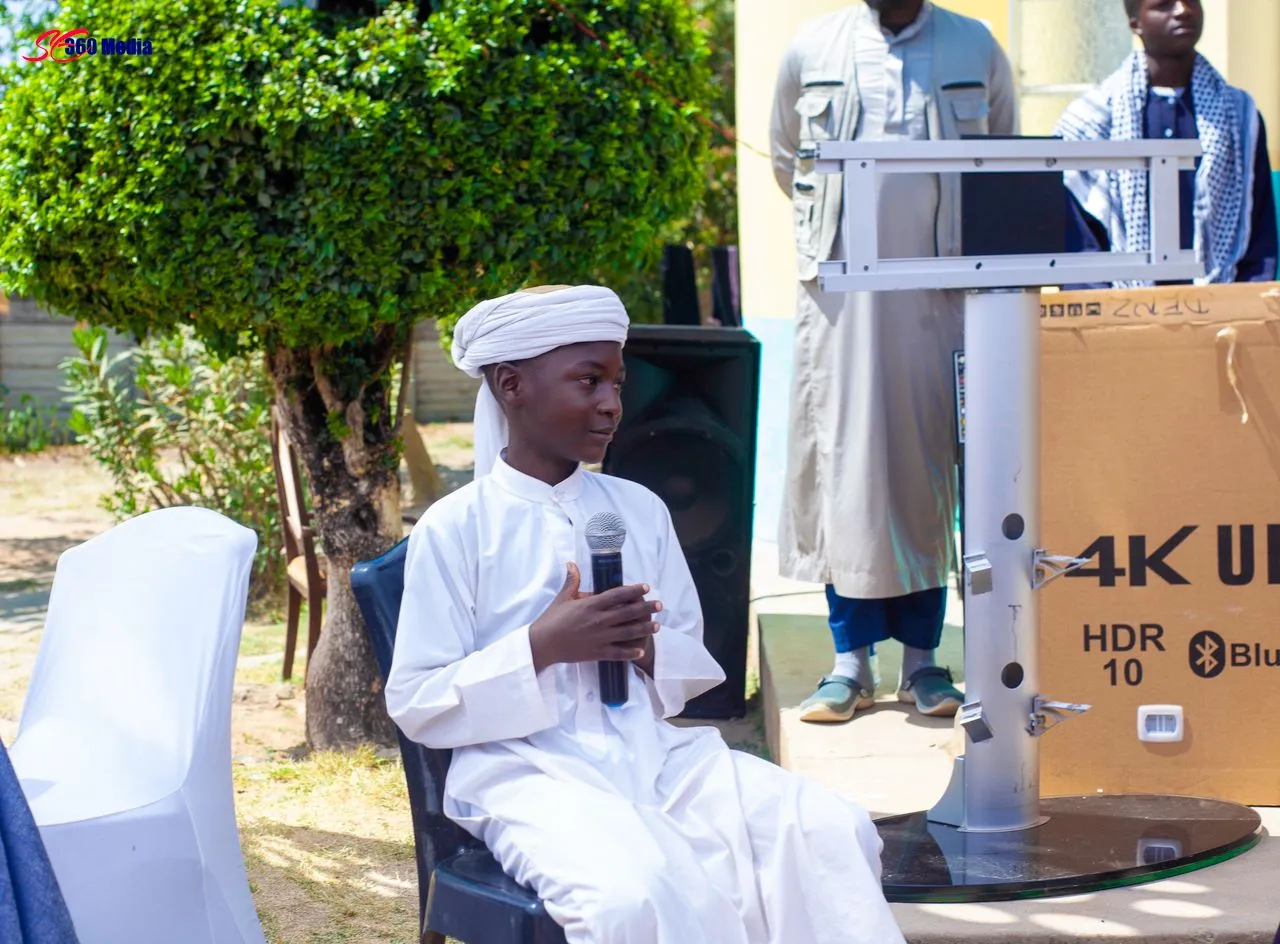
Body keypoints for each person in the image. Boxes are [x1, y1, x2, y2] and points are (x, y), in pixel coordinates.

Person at [384, 285, 907, 944]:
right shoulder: (456, 529)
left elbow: (690, 661)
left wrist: (646, 649)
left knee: (829, 829)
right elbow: (417, 700)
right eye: (588, 380)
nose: (611, 403)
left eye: (617, 382)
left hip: (656, 758)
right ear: (512, 385)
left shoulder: (639, 509)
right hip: (526, 773)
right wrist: (542, 645)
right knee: (628, 900)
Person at [770, 0, 1017, 724]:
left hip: (940, 299)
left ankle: (923, 664)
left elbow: (1002, 153)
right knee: (848, 474)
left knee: (926, 473)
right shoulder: (811, 47)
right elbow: (790, 158)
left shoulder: (976, 45)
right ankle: (848, 665)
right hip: (844, 301)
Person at [1055, 0, 1278, 286]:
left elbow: (1258, 238)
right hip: (1121, 316)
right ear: (1135, 23)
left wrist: (1243, 313)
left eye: (1191, 1)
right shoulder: (1090, 122)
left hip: (1222, 316)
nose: (1183, 10)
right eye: (1164, 4)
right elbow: (1080, 251)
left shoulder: (1239, 116)